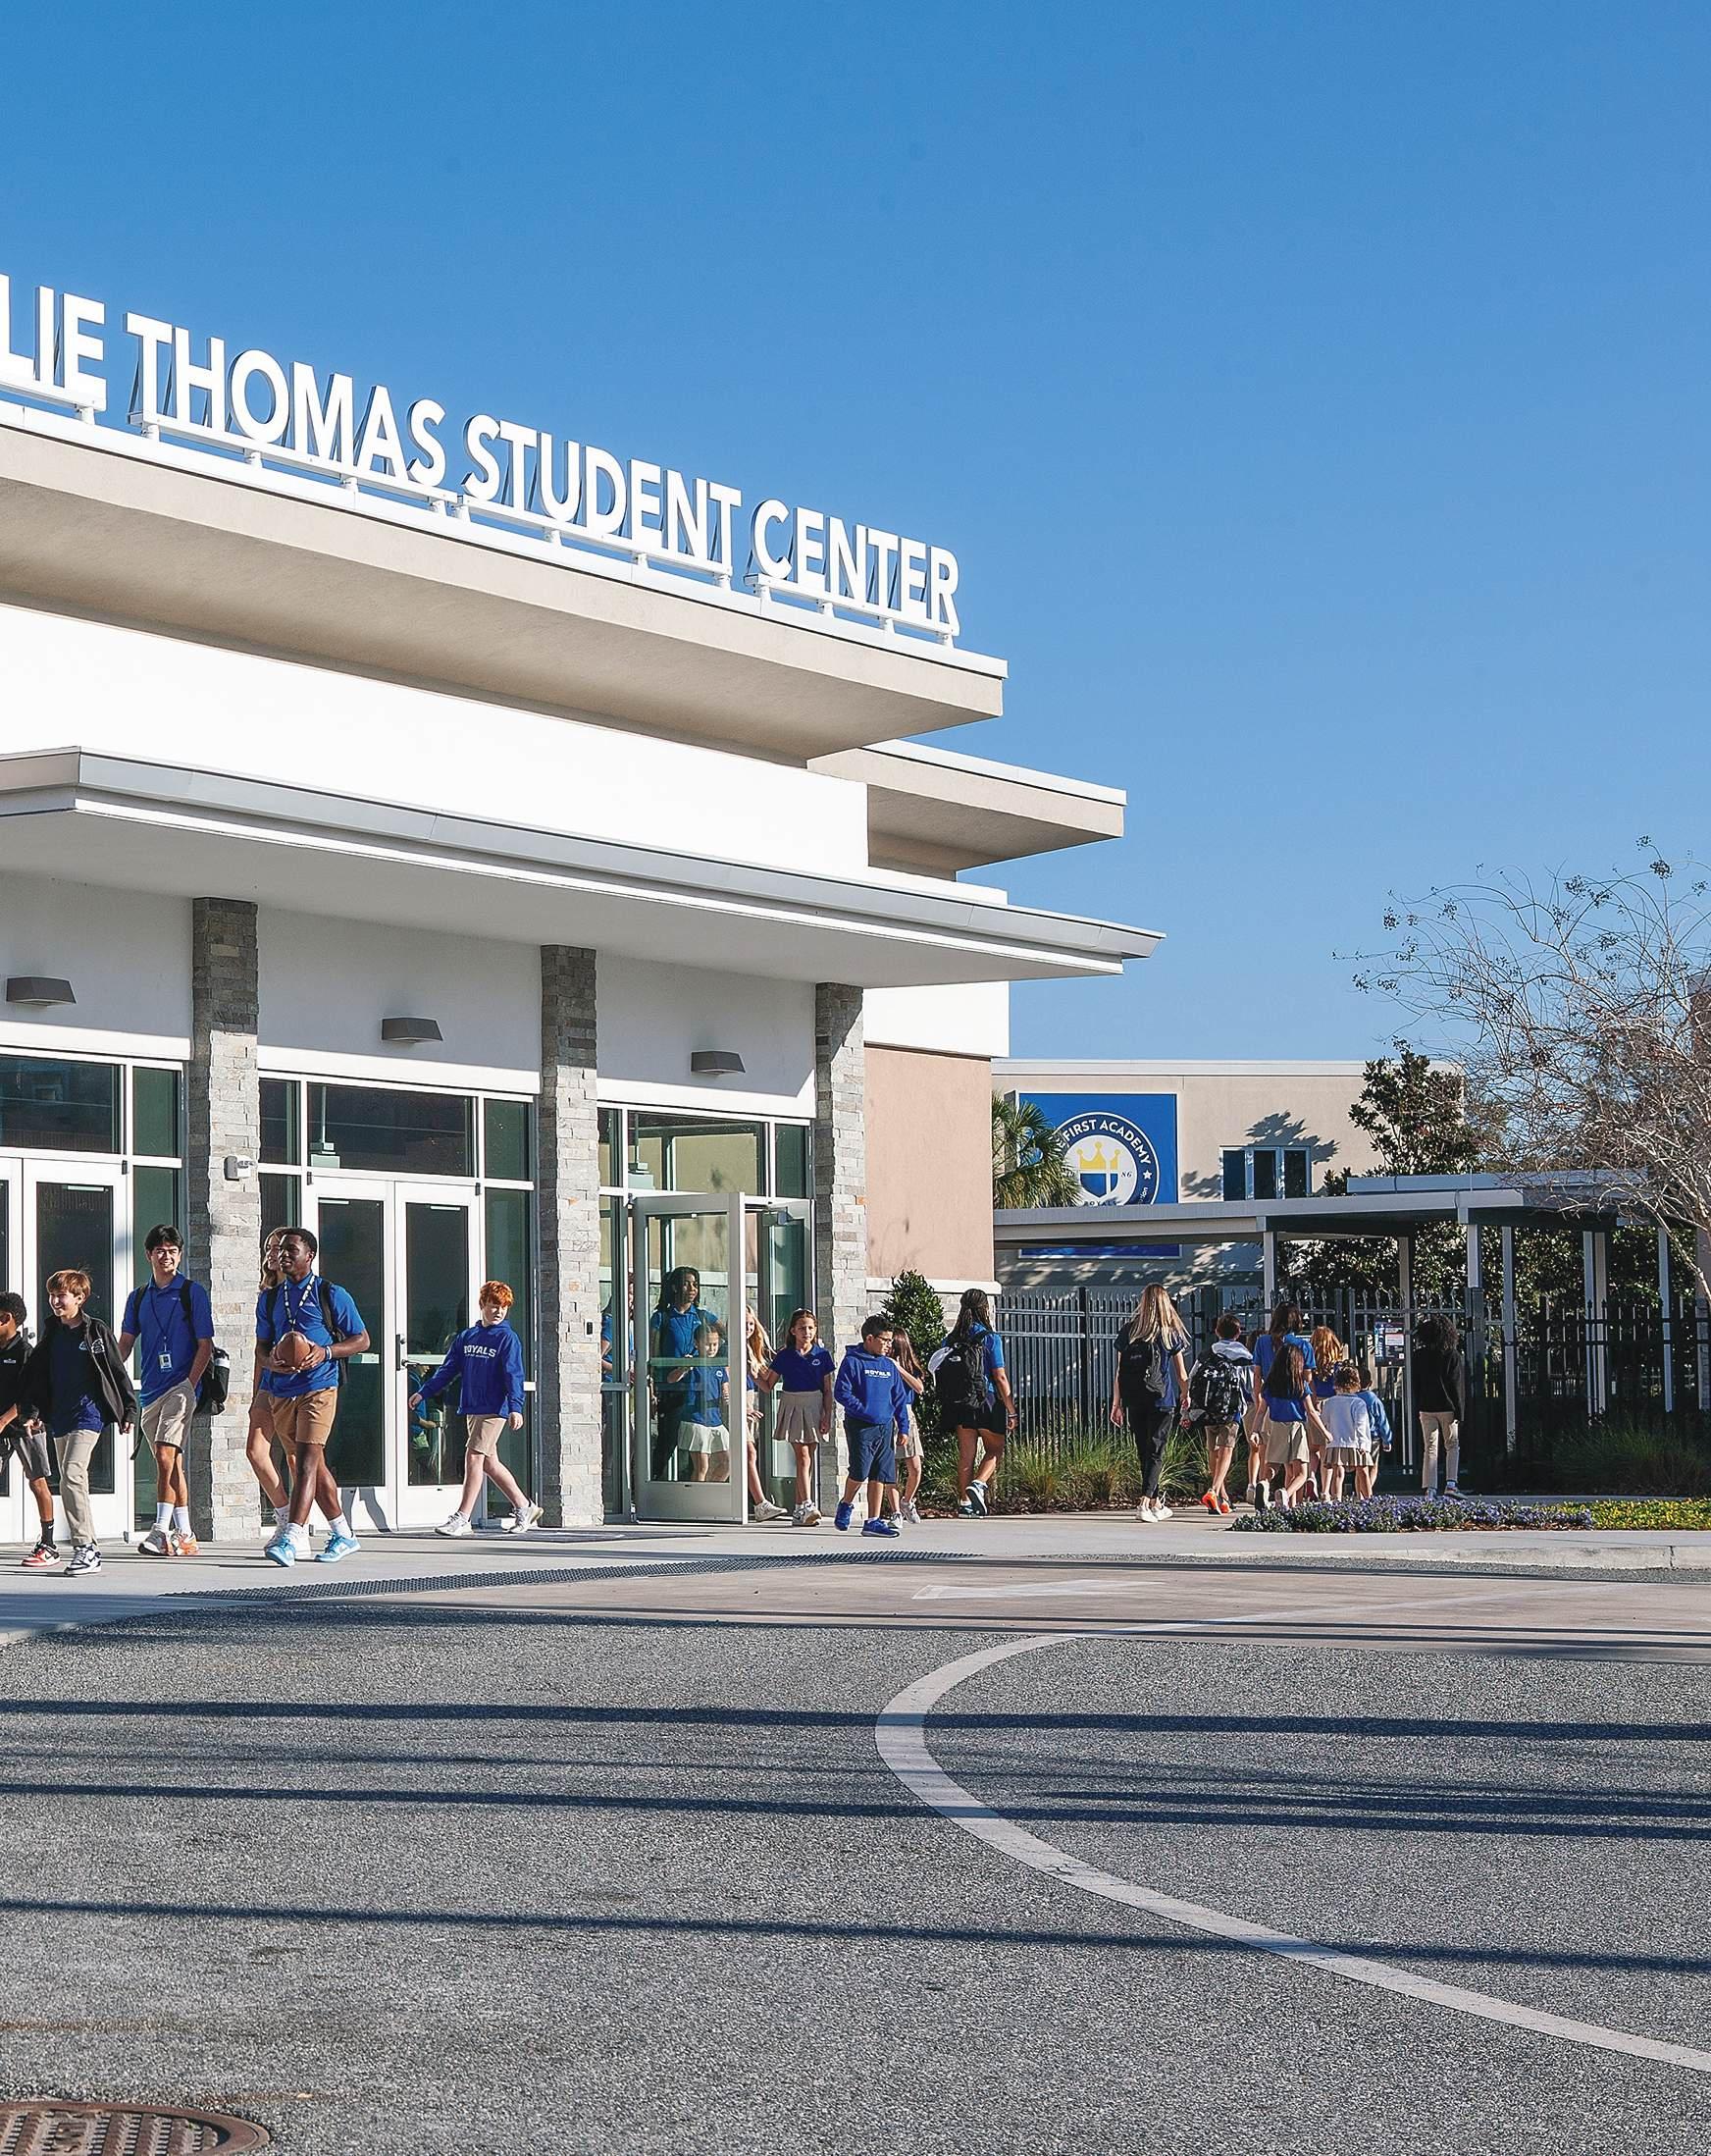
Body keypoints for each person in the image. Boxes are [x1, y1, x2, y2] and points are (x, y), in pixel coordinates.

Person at [259, 1228, 369, 1568]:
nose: (283, 1255)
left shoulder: (331, 1293)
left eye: (291, 1249)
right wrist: (271, 1361)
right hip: (283, 1390)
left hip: (319, 1386)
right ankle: (343, 1533)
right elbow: (261, 1346)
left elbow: (362, 1339)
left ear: (310, 1255)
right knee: (313, 1465)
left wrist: (325, 1352)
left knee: (306, 1461)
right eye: (280, 1249)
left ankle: (291, 1536)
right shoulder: (271, 1298)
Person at [17, 1269, 136, 1578]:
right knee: (74, 1479)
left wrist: (128, 1410)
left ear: (79, 1298)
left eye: (62, 1296)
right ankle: (90, 1547)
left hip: (89, 1414)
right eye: (52, 1296)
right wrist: (32, 1411)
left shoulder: (95, 1331)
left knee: (71, 1474)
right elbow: (37, 1376)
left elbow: (115, 1370)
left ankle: (84, 1547)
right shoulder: (52, 1334)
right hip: (60, 1415)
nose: (55, 1301)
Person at [411, 1279, 542, 1538]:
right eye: (494, 1305)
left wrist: (515, 1407)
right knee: (490, 1463)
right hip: (473, 1406)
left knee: (473, 1457)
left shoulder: (507, 1338)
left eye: (504, 1307)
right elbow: (448, 1370)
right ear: (482, 1305)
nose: (499, 1311)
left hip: (495, 1408)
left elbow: (514, 1375)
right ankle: (524, 1506)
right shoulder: (467, 1337)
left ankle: (462, 1517)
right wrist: (423, 1392)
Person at [119, 1224, 214, 1558]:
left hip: (181, 1387)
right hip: (151, 1390)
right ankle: (186, 1534)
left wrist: (190, 1384)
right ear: (149, 1254)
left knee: (163, 1455)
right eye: (160, 1251)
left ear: (180, 1255)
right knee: (172, 1463)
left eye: (173, 1251)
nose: (167, 1256)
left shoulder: (192, 1292)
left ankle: (159, 1531)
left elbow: (205, 1344)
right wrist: (108, 1374)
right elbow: (125, 1343)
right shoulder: (138, 1297)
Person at [1109, 1284, 1190, 1524]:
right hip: (1161, 1399)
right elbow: (1181, 1374)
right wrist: (1186, 1395)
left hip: (1134, 1399)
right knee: (1156, 1451)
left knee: (1144, 1451)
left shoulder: (1129, 1331)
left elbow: (1119, 1371)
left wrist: (1116, 1403)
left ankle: (1156, 1504)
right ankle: (1144, 1503)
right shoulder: (1169, 1333)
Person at [930, 1289, 1015, 1519]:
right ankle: (978, 1484)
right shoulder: (990, 1338)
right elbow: (999, 1376)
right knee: (995, 1449)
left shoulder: (949, 1340)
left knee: (966, 1455)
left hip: (959, 1403)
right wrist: (1011, 1410)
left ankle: (965, 1504)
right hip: (986, 1399)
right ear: (984, 1307)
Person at [244, 1230, 299, 1547]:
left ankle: (300, 1527)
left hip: (295, 1384)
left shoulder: (300, 1293)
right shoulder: (266, 1296)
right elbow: (260, 1350)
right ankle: (284, 1513)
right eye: (269, 1247)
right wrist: (255, 1394)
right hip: (268, 1383)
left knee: (296, 1458)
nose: (273, 1253)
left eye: (279, 1247)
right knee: (255, 1450)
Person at [833, 1315, 909, 1538]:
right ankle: (846, 1504)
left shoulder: (888, 1366)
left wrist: (903, 1426)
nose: (888, 1345)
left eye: (890, 1341)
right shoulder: (853, 1361)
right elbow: (842, 1392)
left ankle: (873, 1521)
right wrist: (863, 1410)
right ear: (869, 1338)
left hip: (885, 1427)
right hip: (861, 1426)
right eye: (884, 1340)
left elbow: (899, 1398)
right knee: (860, 1471)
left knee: (880, 1473)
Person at [0, 1292, 58, 1570]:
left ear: (6, 1318)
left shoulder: (25, 1352)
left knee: (37, 1482)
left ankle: (48, 1543)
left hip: (26, 1425)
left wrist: (4, 1419)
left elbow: (29, 1394)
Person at [768, 1307, 835, 1526]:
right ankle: (807, 1504)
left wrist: (827, 1416)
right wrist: (750, 1369)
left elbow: (828, 1390)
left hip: (815, 1404)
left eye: (810, 1328)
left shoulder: (822, 1356)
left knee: (807, 1458)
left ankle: (799, 1510)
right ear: (793, 1331)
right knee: (802, 1456)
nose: (807, 1332)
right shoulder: (784, 1356)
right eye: (802, 1328)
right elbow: (768, 1384)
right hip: (793, 1403)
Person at [1182, 1313, 1254, 1515]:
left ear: (1216, 1331)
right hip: (1231, 1410)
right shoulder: (1243, 1355)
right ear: (1238, 1333)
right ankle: (1214, 1491)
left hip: (1208, 1409)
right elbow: (1250, 1384)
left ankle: (1223, 1498)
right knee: (1226, 1451)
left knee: (1212, 1451)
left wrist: (1186, 1411)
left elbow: (1192, 1379)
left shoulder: (1207, 1353)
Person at [1251, 1303, 1318, 1512]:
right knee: (1297, 1462)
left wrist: (1259, 1400)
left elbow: (1257, 1375)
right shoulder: (1302, 1345)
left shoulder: (1262, 1342)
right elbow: (1307, 1377)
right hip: (1294, 1407)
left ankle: (1265, 1485)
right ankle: (1291, 1502)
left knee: (1271, 1457)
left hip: (1270, 1405)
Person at [648, 1267, 709, 1478]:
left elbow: (726, 1337)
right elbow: (653, 1355)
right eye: (686, 1283)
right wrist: (652, 1391)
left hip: (698, 1389)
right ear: (675, 1287)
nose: (692, 1289)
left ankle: (696, 1486)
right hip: (671, 1390)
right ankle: (653, 1482)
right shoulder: (662, 1317)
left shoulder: (701, 1316)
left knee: (699, 1443)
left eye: (695, 1284)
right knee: (667, 1441)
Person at [1259, 1336, 1330, 1509]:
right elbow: (1311, 1411)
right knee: (1301, 1472)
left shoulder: (1270, 1385)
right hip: (1297, 1427)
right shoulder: (1300, 1384)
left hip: (1276, 1426)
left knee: (1273, 1465)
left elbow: (1261, 1411)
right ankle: (1286, 1494)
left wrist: (1255, 1431)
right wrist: (1324, 1431)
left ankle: (1264, 1483)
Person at [741, 1308, 789, 1522]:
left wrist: (785, 1358)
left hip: (748, 1403)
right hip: (736, 1405)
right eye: (745, 1324)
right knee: (748, 1453)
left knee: (742, 1455)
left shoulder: (750, 1350)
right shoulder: (729, 1348)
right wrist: (741, 1408)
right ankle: (760, 1504)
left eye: (751, 1324)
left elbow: (766, 1384)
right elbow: (725, 1381)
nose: (748, 1328)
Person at [1415, 1313, 1469, 1498]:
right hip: (1447, 1407)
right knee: (1452, 1445)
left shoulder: (1419, 1355)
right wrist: (1460, 1411)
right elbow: (1456, 1385)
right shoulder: (1452, 1355)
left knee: (1429, 1447)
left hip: (1426, 1407)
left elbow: (1416, 1384)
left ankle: (1430, 1488)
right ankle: (1451, 1484)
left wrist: (1418, 1405)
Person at [886, 1327, 928, 1525]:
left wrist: (899, 1368)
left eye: (891, 1344)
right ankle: (895, 1512)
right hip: (887, 1415)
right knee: (890, 1470)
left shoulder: (910, 1367)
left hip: (906, 1415)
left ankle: (907, 1501)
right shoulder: (881, 1365)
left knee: (915, 1466)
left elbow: (919, 1388)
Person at [1319, 1362, 1374, 1501]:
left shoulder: (1329, 1402)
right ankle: (1369, 1500)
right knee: (1363, 1471)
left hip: (1335, 1442)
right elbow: (1360, 1424)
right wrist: (1363, 1444)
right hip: (1354, 1442)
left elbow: (1324, 1420)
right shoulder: (1358, 1403)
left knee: (1337, 1473)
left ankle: (1336, 1499)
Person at [1305, 1325, 1346, 1500]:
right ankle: (1326, 1491)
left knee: (1312, 1449)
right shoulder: (1337, 1366)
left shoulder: (1310, 1364)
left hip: (1313, 1406)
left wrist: (1313, 1403)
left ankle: (1310, 1476)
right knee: (1326, 1451)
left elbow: (1310, 1385)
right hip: (1332, 1406)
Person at [1355, 1377, 1394, 1498]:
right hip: (1373, 1437)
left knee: (1360, 1468)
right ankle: (1367, 1492)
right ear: (1370, 1383)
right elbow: (1382, 1421)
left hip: (1357, 1437)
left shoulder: (1354, 1398)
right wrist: (1387, 1439)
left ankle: (1359, 1495)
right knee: (1373, 1466)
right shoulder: (1374, 1399)